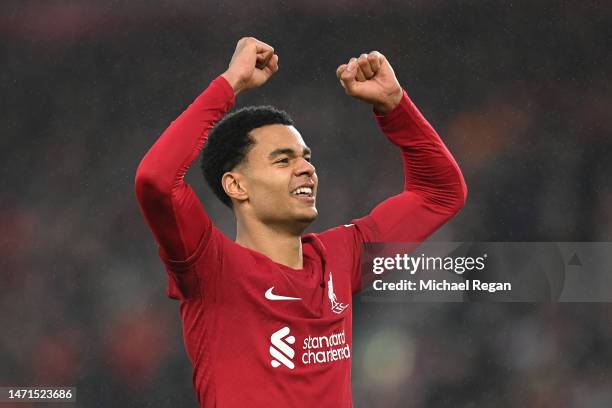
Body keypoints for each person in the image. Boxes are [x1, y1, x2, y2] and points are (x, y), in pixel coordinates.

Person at [135, 37, 467, 407]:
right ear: (236, 185)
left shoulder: (341, 258)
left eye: (305, 157)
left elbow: (440, 193)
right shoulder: (211, 268)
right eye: (283, 160)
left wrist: (395, 105)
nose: (306, 168)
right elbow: (156, 180)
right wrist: (230, 84)